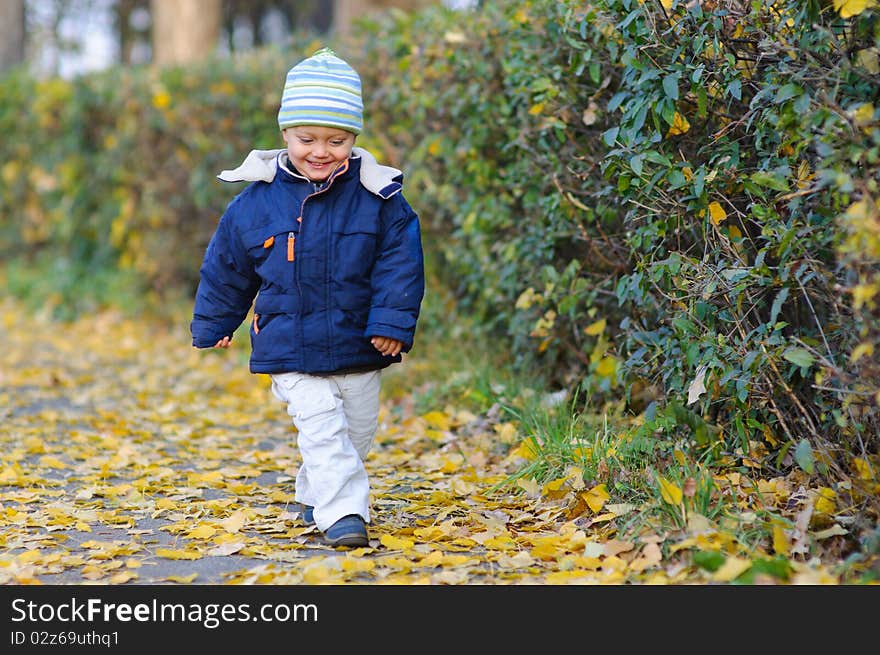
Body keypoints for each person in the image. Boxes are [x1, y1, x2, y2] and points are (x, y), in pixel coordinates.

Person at [190, 47, 425, 548]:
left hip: (359, 341)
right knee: (321, 425)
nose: (321, 151)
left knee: (355, 433)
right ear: (284, 136)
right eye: (306, 139)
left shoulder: (380, 199)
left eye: (336, 140)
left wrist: (391, 322)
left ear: (354, 138)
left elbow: (399, 264)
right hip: (287, 344)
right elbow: (227, 268)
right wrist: (215, 323)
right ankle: (344, 516)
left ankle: (313, 494)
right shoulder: (255, 202)